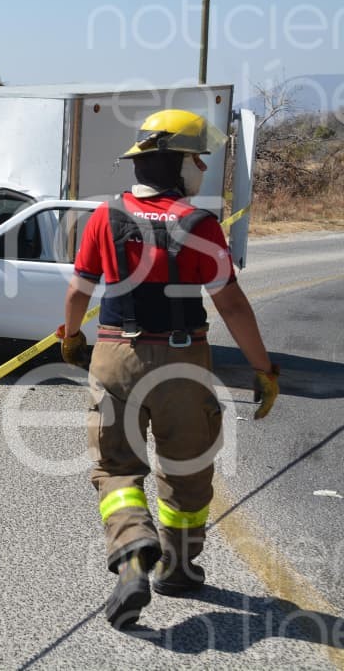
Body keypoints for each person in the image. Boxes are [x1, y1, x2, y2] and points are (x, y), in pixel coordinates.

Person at [57, 109, 280, 630]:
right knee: (186, 467)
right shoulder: (200, 225)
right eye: (198, 157)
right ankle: (177, 569)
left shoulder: (104, 217)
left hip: (115, 355)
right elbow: (232, 305)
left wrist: (70, 338)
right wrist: (262, 369)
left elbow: (78, 290)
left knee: (116, 467)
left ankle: (133, 548)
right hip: (183, 360)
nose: (202, 166)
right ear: (177, 162)